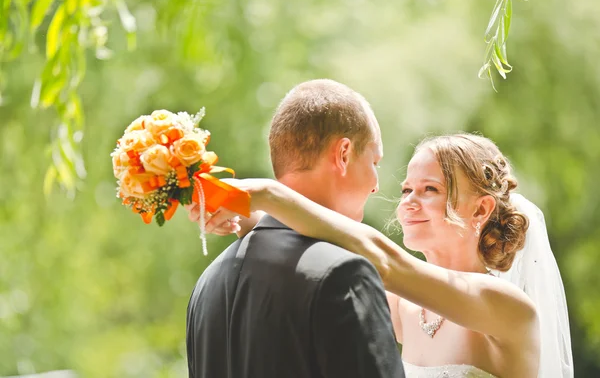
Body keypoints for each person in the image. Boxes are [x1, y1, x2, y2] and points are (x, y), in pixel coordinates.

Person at [194, 133, 573, 377]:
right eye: (407, 189)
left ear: (480, 210)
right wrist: (248, 219)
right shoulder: (403, 306)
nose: (408, 202)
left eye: (430, 189)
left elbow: (384, 262)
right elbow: (323, 253)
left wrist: (265, 193)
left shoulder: (506, 306)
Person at [185, 79, 405, 378]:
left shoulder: (207, 283)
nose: (376, 185)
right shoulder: (343, 273)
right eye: (374, 161)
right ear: (343, 154)